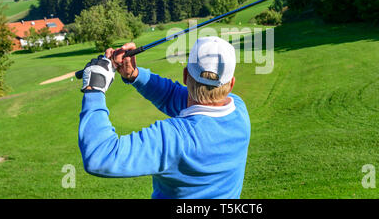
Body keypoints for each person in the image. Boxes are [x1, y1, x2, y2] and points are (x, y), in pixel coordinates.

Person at [78, 36, 251, 199]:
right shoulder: (239, 110)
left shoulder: (173, 138)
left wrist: (95, 88)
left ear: (185, 76)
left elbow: (100, 156)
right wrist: (134, 75)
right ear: (231, 84)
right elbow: (172, 96)